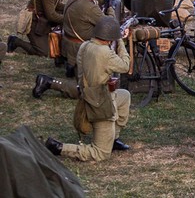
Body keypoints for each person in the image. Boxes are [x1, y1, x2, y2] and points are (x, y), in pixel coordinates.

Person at [45, 16, 132, 162]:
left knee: (124, 96)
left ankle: (113, 138)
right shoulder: (105, 52)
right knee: (101, 153)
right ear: (109, 38)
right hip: (101, 102)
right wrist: (121, 41)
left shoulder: (85, 46)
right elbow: (125, 65)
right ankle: (60, 148)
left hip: (88, 94)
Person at [7, 0, 72, 57]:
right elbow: (51, 15)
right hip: (35, 22)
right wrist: (68, 19)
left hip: (42, 20)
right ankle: (15, 41)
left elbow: (56, 5)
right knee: (43, 52)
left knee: (52, 48)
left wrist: (70, 7)